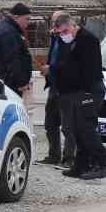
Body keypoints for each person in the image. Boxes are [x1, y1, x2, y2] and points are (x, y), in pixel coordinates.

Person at [53, 11, 106, 180]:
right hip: (77, 92)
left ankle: (100, 165)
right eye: (59, 33)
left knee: (87, 129)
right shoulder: (71, 41)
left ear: (72, 25)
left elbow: (89, 70)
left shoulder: (88, 39)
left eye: (64, 32)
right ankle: (81, 165)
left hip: (89, 90)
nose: (63, 35)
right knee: (77, 130)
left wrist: (85, 94)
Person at [40, 10, 77, 167]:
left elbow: (70, 65)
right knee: (50, 123)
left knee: (68, 126)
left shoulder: (71, 40)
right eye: (53, 23)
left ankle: (69, 158)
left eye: (57, 24)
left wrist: (51, 69)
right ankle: (53, 155)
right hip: (54, 87)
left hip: (67, 89)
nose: (54, 27)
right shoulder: (55, 39)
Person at [0, 2, 35, 96]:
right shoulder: (9, 32)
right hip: (9, 83)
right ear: (16, 17)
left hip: (1, 76)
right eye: (26, 19)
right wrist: (21, 83)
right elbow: (13, 60)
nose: (28, 22)